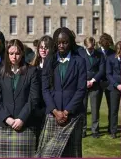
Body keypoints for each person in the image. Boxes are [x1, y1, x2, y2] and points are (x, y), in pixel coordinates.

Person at [36, 27, 87, 157]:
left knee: (72, 154)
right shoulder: (49, 60)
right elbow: (45, 89)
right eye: (58, 42)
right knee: (47, 153)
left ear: (71, 42)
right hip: (53, 114)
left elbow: (81, 89)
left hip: (73, 114)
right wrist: (55, 111)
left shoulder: (79, 61)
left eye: (65, 42)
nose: (61, 45)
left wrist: (66, 112)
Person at [0, 39, 40, 157]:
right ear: (7, 54)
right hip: (5, 125)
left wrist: (21, 118)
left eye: (17, 53)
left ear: (22, 53)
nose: (14, 56)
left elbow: (34, 98)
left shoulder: (32, 71)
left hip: (25, 125)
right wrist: (6, 118)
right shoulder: (0, 71)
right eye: (11, 53)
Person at [79, 37, 105, 138]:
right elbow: (77, 69)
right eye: (89, 48)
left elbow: (102, 70)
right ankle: (83, 130)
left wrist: (93, 80)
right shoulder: (80, 54)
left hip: (95, 84)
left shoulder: (100, 55)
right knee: (83, 109)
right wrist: (84, 81)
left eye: (92, 47)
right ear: (85, 46)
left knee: (95, 109)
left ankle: (95, 131)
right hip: (82, 84)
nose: (91, 49)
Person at [31, 35, 54, 144]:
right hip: (36, 106)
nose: (43, 50)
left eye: (46, 47)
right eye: (41, 47)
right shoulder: (33, 66)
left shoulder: (55, 66)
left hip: (49, 106)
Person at [97, 33, 115, 134]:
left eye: (108, 43)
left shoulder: (113, 52)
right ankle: (96, 129)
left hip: (109, 83)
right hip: (99, 82)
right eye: (105, 43)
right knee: (96, 108)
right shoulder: (97, 52)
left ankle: (111, 128)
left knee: (111, 107)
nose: (106, 45)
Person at [106, 41, 121, 139]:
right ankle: (113, 131)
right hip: (114, 88)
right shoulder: (110, 58)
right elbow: (108, 74)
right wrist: (117, 85)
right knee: (114, 110)